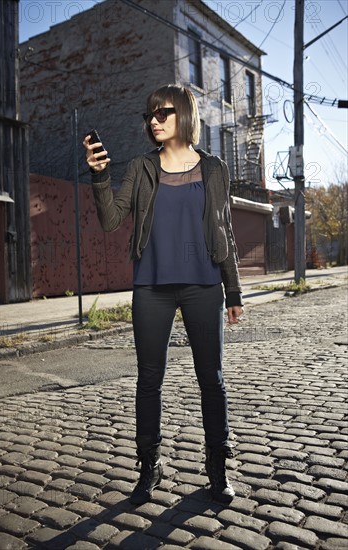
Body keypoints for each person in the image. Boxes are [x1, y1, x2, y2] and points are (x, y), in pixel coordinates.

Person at [83, 84, 244, 505]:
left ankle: (217, 466)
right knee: (149, 379)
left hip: (203, 285)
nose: (153, 120)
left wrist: (234, 292)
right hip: (151, 286)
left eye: (162, 113)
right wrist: (100, 176)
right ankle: (149, 463)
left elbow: (224, 230)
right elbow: (111, 220)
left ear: (184, 115)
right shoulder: (140, 168)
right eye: (149, 114)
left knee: (212, 378)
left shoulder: (215, 169)